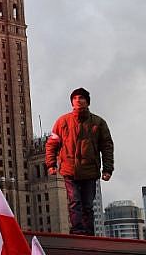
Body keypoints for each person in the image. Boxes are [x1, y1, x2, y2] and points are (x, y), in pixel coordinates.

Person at [45, 87, 114, 236]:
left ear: (87, 102)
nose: (78, 100)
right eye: (75, 98)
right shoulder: (62, 121)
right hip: (69, 170)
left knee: (88, 205)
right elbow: (52, 144)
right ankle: (77, 231)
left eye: (81, 98)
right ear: (72, 102)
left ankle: (88, 233)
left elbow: (107, 146)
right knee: (75, 202)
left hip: (90, 171)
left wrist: (108, 169)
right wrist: (51, 164)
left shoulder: (98, 122)